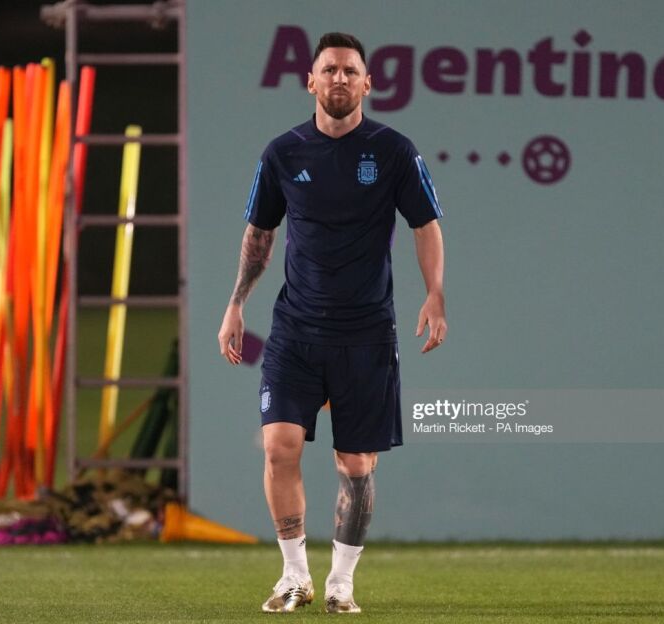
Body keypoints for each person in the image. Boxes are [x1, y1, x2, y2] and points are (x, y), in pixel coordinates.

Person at [218, 31, 446, 614]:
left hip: (366, 333)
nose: (338, 78)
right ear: (310, 82)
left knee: (356, 465)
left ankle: (341, 582)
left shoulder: (394, 151)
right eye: (329, 70)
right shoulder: (283, 152)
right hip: (296, 330)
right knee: (280, 447)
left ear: (367, 83)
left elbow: (425, 225)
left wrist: (434, 294)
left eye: (349, 71)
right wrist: (237, 303)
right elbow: (260, 234)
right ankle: (294, 576)